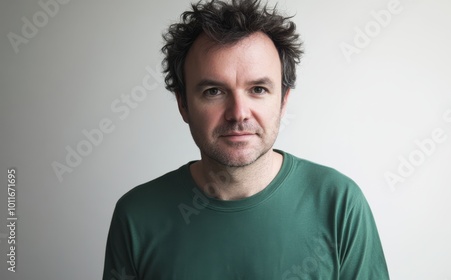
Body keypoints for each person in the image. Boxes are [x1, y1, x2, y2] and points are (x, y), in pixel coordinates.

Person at [103, 0, 390, 279]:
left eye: (258, 89)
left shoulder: (339, 203)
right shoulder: (137, 215)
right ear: (183, 105)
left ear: (283, 101)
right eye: (214, 91)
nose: (238, 114)